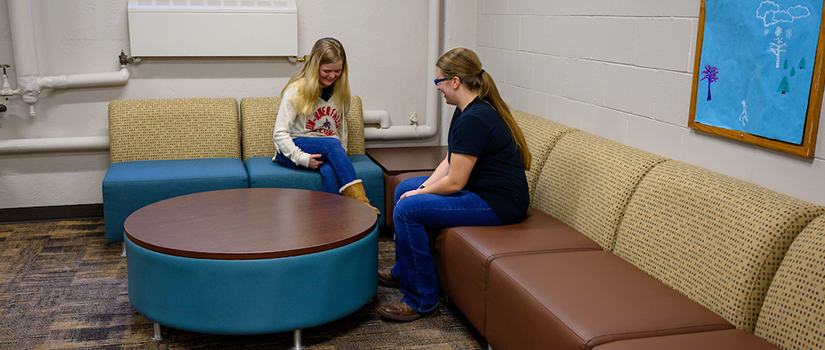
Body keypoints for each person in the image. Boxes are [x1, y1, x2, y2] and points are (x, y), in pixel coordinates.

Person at [377, 47, 532, 321]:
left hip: (499, 204)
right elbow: (449, 162)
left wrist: (419, 195)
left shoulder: (475, 118)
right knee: (404, 190)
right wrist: (420, 189)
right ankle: (405, 270)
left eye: (439, 81)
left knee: (407, 210)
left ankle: (421, 298)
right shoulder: (466, 110)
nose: (438, 88)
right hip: (479, 190)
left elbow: (455, 182)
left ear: (456, 81)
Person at [273, 37, 379, 214]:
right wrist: (303, 159)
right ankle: (362, 205)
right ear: (315, 67)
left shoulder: (340, 91)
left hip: (328, 149)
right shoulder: (296, 89)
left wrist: (339, 155)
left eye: (338, 71)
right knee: (330, 143)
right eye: (327, 71)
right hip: (292, 150)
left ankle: (330, 222)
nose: (332, 75)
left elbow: (340, 128)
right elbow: (280, 134)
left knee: (330, 171)